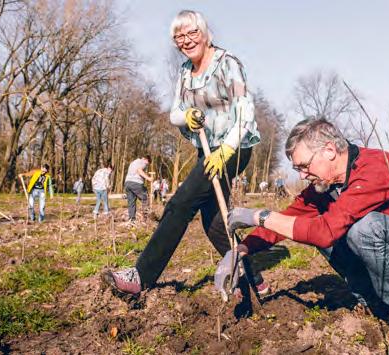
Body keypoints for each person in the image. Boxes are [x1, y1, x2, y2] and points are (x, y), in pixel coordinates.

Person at [219, 118, 389, 349]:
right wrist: (241, 250)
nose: (303, 175)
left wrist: (259, 216)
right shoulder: (325, 184)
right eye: (298, 169)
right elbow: (290, 220)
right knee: (326, 227)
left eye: (305, 166)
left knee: (361, 228)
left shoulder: (374, 170)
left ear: (329, 151)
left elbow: (324, 232)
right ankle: (373, 301)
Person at [101, 10, 268, 296]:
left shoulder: (228, 64)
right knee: (215, 224)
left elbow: (245, 111)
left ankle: (141, 276)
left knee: (180, 204)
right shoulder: (184, 71)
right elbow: (174, 113)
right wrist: (187, 115)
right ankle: (254, 278)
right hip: (207, 149)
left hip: (234, 148)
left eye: (192, 33)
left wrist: (226, 149)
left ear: (205, 34)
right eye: (180, 36)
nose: (187, 40)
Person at [123, 155, 153, 223]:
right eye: (147, 163)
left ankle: (132, 220)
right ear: (146, 159)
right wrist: (148, 178)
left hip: (127, 183)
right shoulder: (142, 162)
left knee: (131, 202)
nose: (147, 165)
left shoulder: (133, 162)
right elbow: (139, 170)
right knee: (145, 198)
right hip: (136, 183)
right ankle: (146, 218)